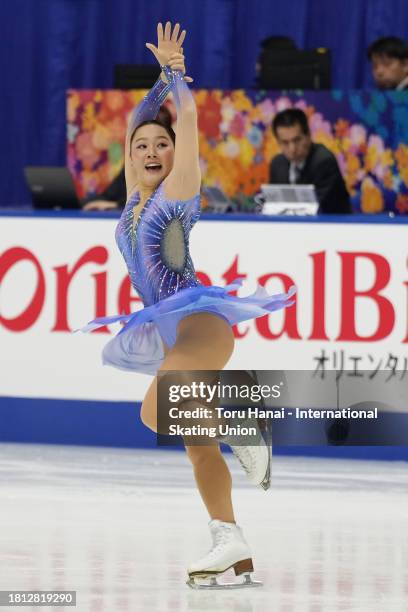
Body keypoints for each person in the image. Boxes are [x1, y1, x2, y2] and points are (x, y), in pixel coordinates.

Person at [78, 22, 296, 589]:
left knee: (168, 400)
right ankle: (230, 539)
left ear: (176, 156)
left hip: (199, 321)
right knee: (165, 420)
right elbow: (137, 126)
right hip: (170, 332)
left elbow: (188, 122)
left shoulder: (178, 193)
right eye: (142, 147)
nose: (150, 150)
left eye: (161, 145)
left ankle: (244, 424)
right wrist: (155, 86)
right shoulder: (131, 201)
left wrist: (176, 79)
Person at [81, 106, 173, 211]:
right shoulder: (133, 162)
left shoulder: (173, 165)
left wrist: (115, 205)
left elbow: (159, 204)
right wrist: (84, 203)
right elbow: (109, 195)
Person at [269, 108, 352, 214]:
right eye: (285, 143)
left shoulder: (324, 161)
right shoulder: (277, 164)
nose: (292, 149)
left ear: (308, 135)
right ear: (278, 142)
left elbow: (317, 208)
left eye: (297, 140)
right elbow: (273, 205)